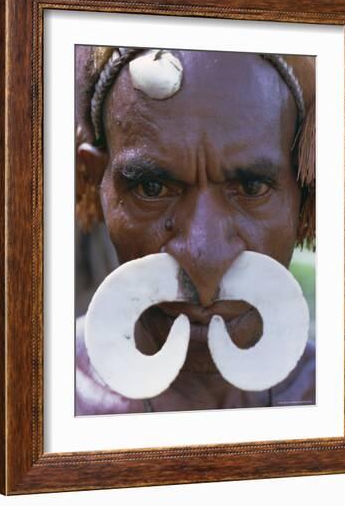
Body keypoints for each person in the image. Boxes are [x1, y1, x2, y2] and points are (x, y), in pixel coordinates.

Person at [74, 46, 316, 415]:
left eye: (251, 188)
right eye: (152, 188)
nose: (204, 261)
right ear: (95, 184)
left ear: (305, 193)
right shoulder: (35, 400)